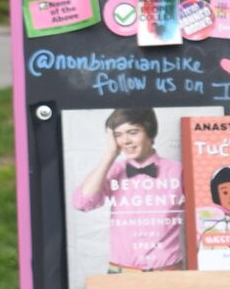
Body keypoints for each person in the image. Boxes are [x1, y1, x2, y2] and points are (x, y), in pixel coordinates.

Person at [70, 108, 186, 273]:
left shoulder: (178, 171)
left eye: (132, 132)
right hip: (120, 272)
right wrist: (110, 155)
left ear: (150, 132)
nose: (125, 141)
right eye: (118, 135)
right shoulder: (113, 170)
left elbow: (202, 214)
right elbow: (82, 202)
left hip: (169, 271)